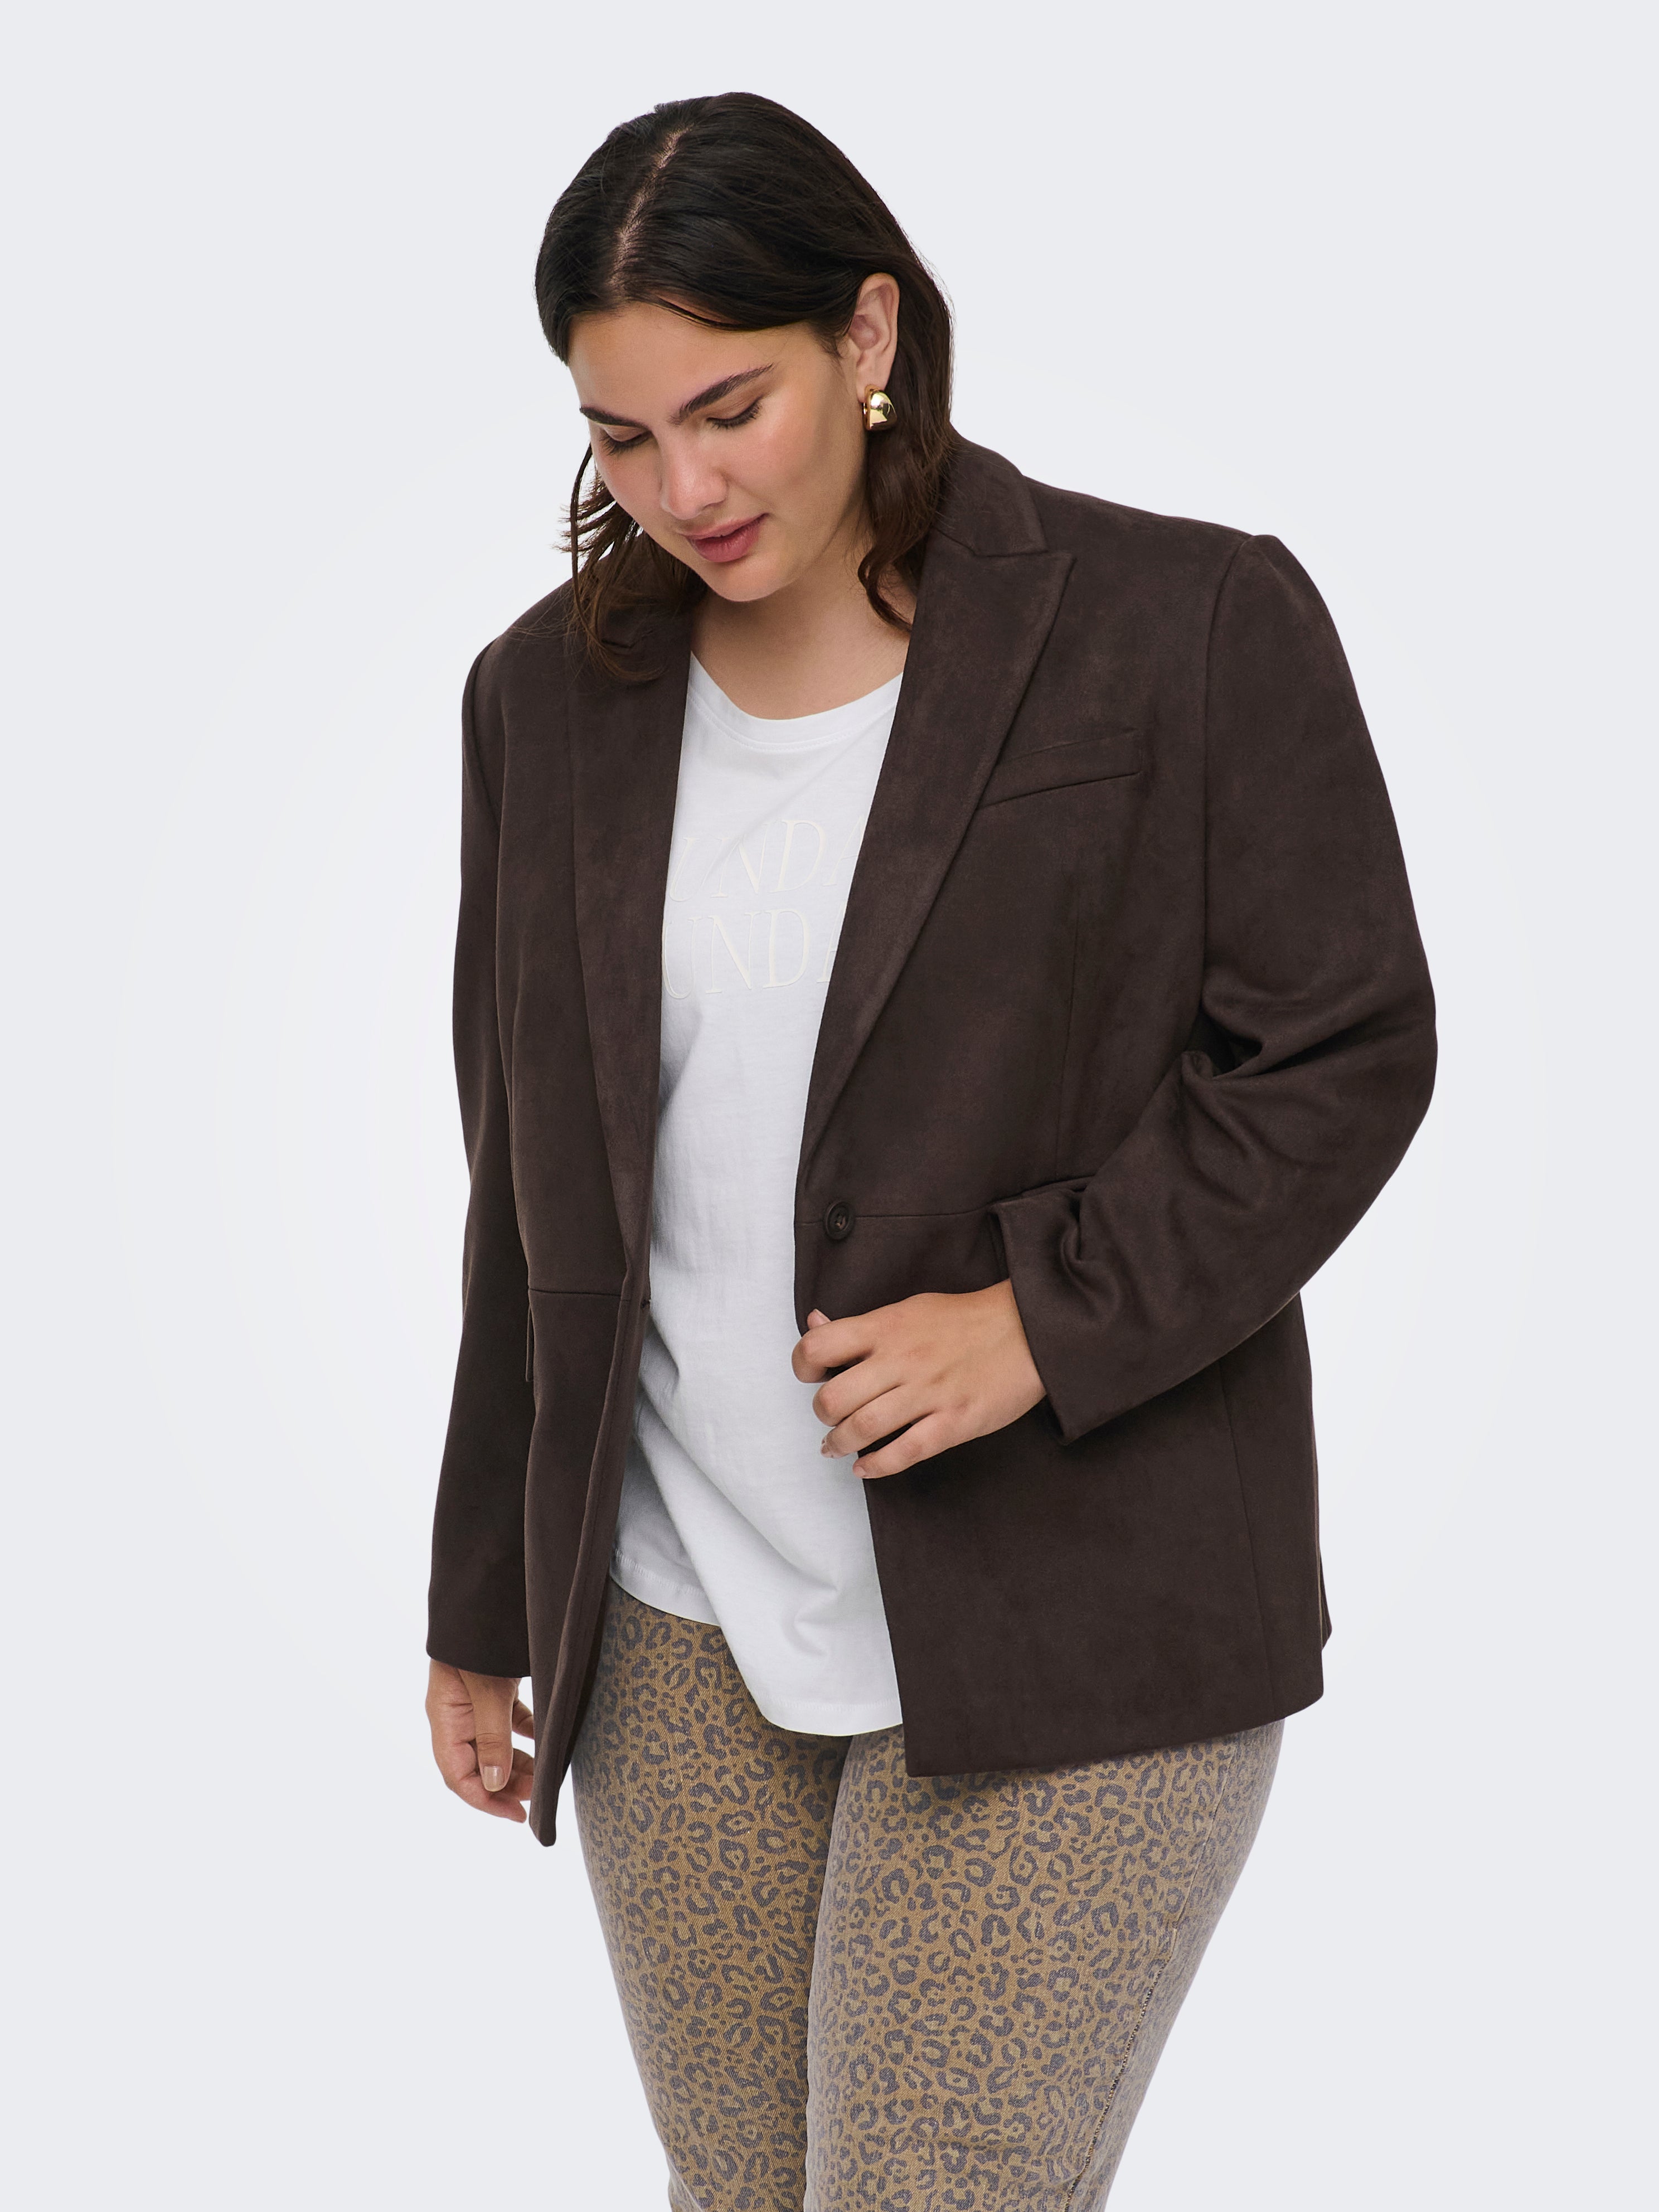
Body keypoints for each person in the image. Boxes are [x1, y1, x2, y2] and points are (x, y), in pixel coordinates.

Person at [423, 91, 1435, 2211]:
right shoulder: (543, 703)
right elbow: (527, 1183)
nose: (686, 489)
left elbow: (1340, 1049)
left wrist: (1040, 1323)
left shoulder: (1184, 623)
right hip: (678, 1613)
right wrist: (483, 1599)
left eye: (733, 409)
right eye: (623, 438)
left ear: (868, 333)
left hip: (1080, 1587)